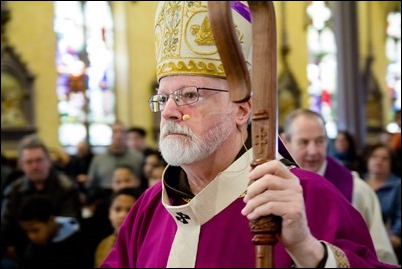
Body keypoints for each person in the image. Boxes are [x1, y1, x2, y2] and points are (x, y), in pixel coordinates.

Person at [101, 2, 398, 268]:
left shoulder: (304, 197)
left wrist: (308, 251)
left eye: (189, 95)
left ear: (242, 110)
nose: (169, 112)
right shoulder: (148, 207)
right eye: (163, 98)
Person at [281, 108, 398, 265]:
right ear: (285, 141)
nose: (313, 151)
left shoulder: (358, 190)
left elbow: (381, 255)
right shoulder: (275, 189)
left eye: (320, 141)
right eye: (304, 142)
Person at [1, 135, 82, 263]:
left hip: (59, 253)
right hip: (19, 252)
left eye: (39, 160)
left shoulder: (66, 187)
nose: (35, 166)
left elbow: (69, 226)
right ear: (22, 165)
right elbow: (4, 225)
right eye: (29, 162)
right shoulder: (13, 190)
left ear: (49, 161)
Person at [17, 195, 91, 268]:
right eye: (27, 231)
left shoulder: (80, 240)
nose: (31, 236)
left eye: (35, 230)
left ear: (51, 220)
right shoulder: (33, 248)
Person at [364, 143, 401, 264]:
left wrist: (395, 236)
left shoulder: (398, 185)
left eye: (385, 158)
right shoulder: (358, 183)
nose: (379, 161)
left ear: (391, 163)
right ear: (368, 160)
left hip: (387, 241)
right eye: (375, 156)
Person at [94, 187, 142, 268]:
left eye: (129, 210)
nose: (122, 215)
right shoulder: (103, 245)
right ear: (109, 213)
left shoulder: (143, 244)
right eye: (117, 209)